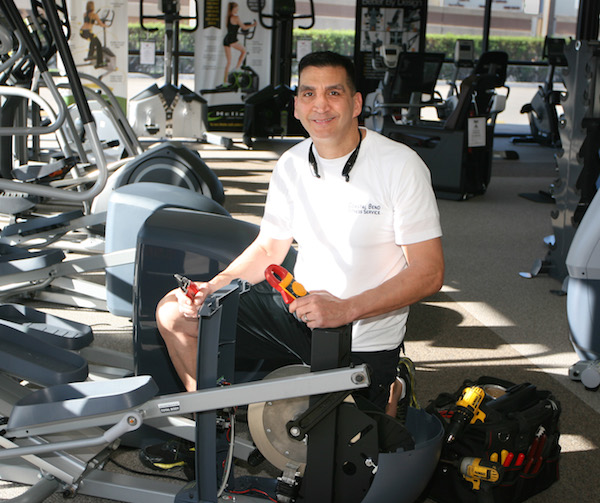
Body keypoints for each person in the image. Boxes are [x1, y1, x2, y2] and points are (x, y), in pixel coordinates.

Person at [141, 50, 444, 471]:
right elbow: (270, 247)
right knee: (175, 312)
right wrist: (216, 286)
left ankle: (391, 385)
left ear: (356, 104)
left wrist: (345, 308)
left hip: (363, 333)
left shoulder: (400, 166)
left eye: (333, 93)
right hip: (299, 312)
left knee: (347, 467)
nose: (320, 105)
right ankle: (212, 428)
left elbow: (429, 273)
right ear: (297, 105)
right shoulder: (291, 164)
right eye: (309, 93)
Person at [222, 2, 257, 84]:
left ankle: (225, 81)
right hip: (232, 39)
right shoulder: (236, 17)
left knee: (229, 62)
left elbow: (235, 27)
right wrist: (253, 25)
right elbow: (244, 27)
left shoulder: (228, 17)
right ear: (233, 9)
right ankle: (237, 68)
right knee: (244, 51)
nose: (237, 10)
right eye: (236, 8)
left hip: (226, 39)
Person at [80, 1, 107, 68]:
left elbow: (89, 23)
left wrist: (96, 23)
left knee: (93, 41)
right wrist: (106, 26)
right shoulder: (94, 15)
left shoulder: (85, 14)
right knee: (99, 44)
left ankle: (90, 55)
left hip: (82, 32)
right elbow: (101, 24)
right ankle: (99, 62)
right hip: (88, 32)